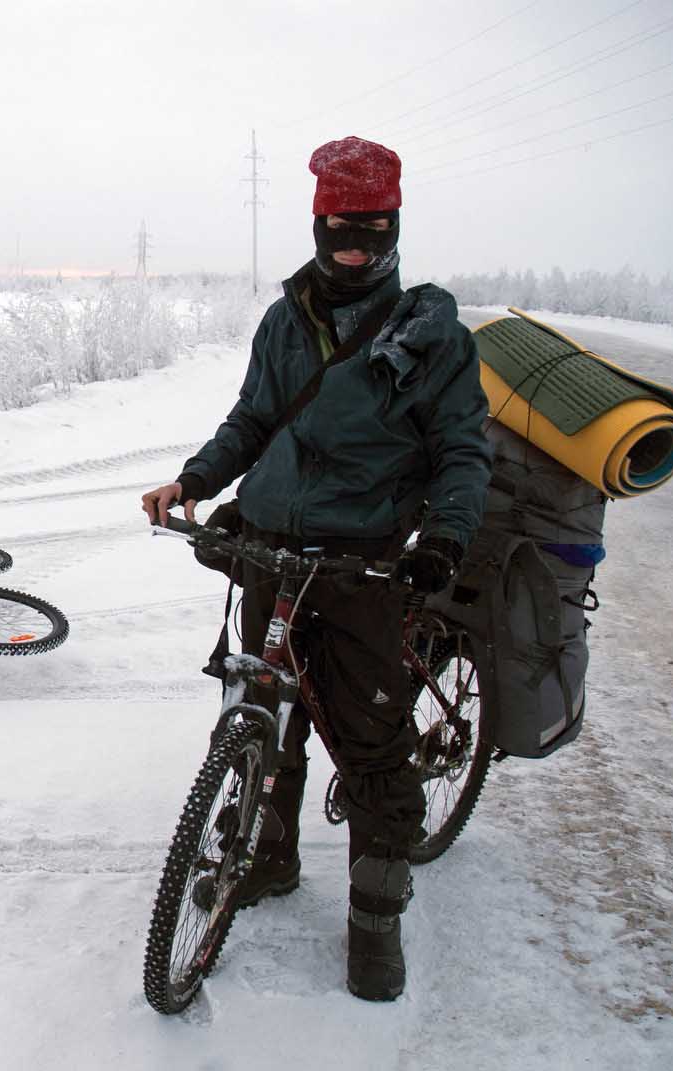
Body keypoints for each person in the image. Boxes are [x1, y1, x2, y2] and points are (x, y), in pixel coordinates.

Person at [141, 135, 492, 1002]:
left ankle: (376, 921)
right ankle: (269, 857)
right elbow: (254, 418)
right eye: (340, 228)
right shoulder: (284, 320)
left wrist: (442, 540)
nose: (354, 247)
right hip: (270, 543)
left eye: (371, 231)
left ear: (394, 227)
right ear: (317, 222)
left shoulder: (429, 332)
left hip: (360, 563)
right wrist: (194, 479)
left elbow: (459, 453)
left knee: (373, 745)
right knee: (263, 705)